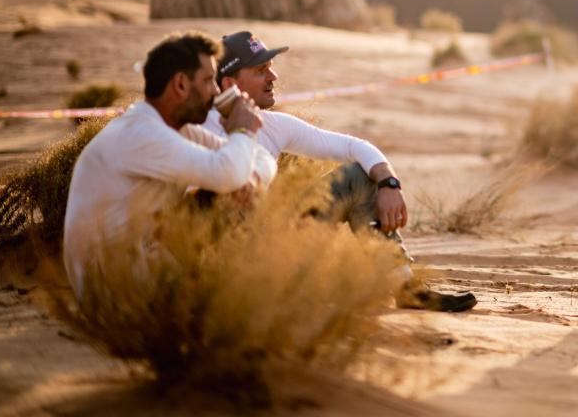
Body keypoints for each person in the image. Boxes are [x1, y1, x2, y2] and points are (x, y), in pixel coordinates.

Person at [202, 30, 477, 313]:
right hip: (226, 268)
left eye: (271, 68)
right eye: (261, 70)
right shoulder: (196, 129)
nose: (273, 78)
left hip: (274, 246)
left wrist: (389, 183)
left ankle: (405, 287)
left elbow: (354, 147)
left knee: (358, 177)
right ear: (229, 83)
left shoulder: (273, 124)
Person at [63, 31, 269, 298]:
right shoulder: (141, 133)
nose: (217, 91)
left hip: (142, 269)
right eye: (208, 81)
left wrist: (249, 177)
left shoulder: (176, 128)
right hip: (111, 292)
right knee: (224, 188)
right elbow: (228, 172)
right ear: (181, 85)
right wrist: (243, 131)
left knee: (224, 193)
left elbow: (263, 159)